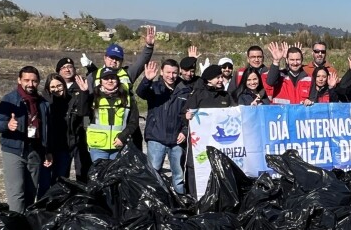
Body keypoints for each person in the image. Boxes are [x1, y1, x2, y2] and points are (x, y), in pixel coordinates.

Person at [0, 66, 52, 213]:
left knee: (31, 193)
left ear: (38, 82)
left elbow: (46, 130)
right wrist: (7, 125)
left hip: (35, 151)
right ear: (19, 80)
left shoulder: (43, 103)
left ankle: (27, 227)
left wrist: (47, 151)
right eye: (26, 80)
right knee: (16, 194)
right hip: (14, 151)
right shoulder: (9, 100)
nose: (30, 84)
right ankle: (17, 228)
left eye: (34, 81)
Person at [136, 60, 190, 195]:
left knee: (178, 175)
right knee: (154, 173)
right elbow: (141, 93)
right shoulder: (154, 88)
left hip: (177, 140)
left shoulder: (185, 90)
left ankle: (180, 200)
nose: (171, 76)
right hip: (156, 138)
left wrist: (184, 131)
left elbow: (188, 115)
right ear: (161, 72)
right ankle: (156, 200)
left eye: (174, 73)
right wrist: (147, 80)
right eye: (168, 72)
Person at [184, 65, 235, 196]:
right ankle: (197, 199)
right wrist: (186, 116)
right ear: (208, 80)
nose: (220, 80)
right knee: (198, 170)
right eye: (217, 77)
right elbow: (183, 114)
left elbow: (235, 114)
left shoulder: (225, 96)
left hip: (219, 144)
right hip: (200, 145)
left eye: (221, 77)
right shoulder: (198, 95)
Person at [75, 67, 140, 161]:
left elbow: (133, 122)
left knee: (115, 175)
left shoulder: (127, 98)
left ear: (117, 80)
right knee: (100, 175)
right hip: (98, 147)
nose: (110, 80)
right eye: (106, 78)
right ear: (101, 81)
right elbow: (82, 113)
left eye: (113, 78)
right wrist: (84, 93)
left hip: (118, 146)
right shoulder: (93, 96)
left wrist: (123, 137)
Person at [39, 73, 80, 194]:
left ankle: (58, 206)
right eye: (53, 87)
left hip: (65, 147)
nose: (56, 89)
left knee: (61, 180)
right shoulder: (44, 102)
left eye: (59, 85)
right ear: (48, 88)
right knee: (45, 181)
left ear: (64, 85)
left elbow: (83, 117)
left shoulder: (71, 100)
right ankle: (43, 207)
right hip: (47, 148)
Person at [56, 57, 91, 183]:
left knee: (83, 171)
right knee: (61, 173)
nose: (67, 70)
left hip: (80, 135)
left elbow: (87, 112)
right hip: (62, 137)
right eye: (63, 67)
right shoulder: (55, 87)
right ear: (58, 72)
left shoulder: (83, 85)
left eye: (70, 67)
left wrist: (87, 130)